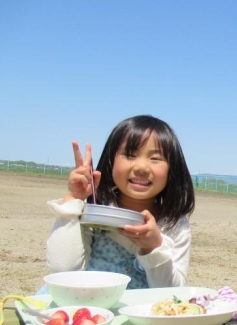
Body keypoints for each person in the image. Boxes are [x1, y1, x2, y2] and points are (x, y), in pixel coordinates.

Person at [44, 115, 195, 290]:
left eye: (155, 158)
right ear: (111, 161)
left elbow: (171, 293)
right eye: (130, 155)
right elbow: (63, 270)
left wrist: (153, 247)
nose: (141, 167)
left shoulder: (174, 225)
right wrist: (72, 200)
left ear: (172, 170)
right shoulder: (93, 210)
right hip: (85, 311)